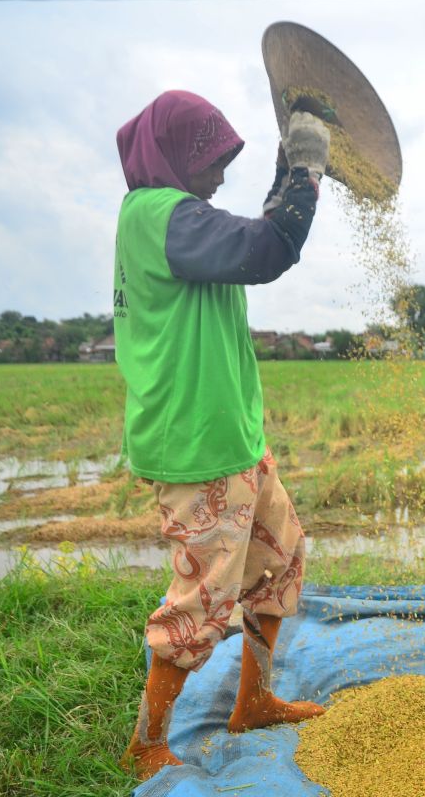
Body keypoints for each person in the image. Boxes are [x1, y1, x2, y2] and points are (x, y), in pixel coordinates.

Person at [113, 90, 330, 779]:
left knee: (280, 562)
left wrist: (284, 170)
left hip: (234, 440)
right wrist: (307, 172)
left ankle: (256, 702)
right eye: (211, 161)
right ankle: (147, 742)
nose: (218, 176)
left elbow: (258, 234)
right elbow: (269, 248)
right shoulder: (159, 215)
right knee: (200, 604)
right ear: (174, 157)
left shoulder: (180, 221)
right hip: (198, 447)